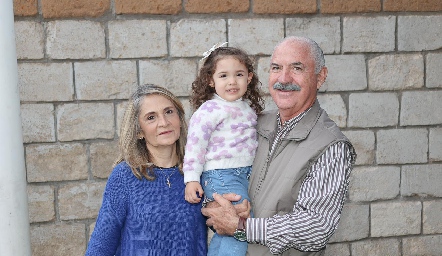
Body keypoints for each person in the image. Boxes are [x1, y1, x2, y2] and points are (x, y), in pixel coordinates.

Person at [201, 36, 357, 256]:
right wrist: (219, 204)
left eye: (297, 68)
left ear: (320, 77)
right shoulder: (252, 123)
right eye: (276, 68)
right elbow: (218, 171)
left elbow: (316, 227)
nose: (284, 78)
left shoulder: (331, 145)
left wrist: (242, 226)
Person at [85, 84, 207, 256]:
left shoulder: (198, 173)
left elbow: (223, 224)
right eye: (151, 117)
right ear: (139, 132)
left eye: (169, 112)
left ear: (180, 119)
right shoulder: (125, 176)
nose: (164, 123)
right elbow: (102, 243)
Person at [183, 44, 264, 255]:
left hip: (245, 174)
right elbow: (195, 144)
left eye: (239, 74)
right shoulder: (209, 109)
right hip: (221, 176)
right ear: (211, 80)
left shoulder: (247, 107)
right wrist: (191, 178)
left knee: (227, 231)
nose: (232, 81)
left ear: (249, 77)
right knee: (238, 225)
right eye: (223, 75)